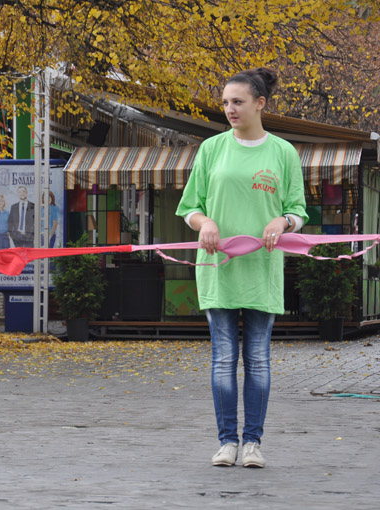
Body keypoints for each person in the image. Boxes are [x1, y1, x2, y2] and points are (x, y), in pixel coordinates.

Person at [176, 68, 308, 468]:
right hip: (218, 268)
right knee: (222, 359)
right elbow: (190, 207)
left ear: (260, 103)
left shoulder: (283, 152)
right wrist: (205, 223)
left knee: (258, 358)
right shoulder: (211, 149)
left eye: (238, 102)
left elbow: (298, 211)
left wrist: (282, 221)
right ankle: (226, 442)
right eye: (225, 102)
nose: (230, 109)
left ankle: (252, 443)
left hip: (262, 271)